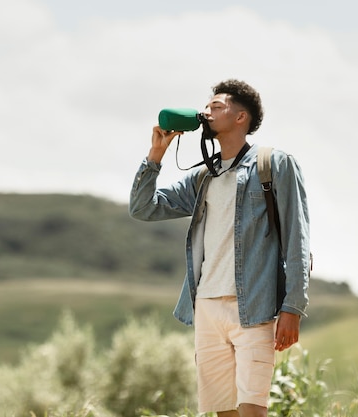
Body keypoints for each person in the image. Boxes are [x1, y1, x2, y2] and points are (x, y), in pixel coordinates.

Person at [128, 79, 311, 417]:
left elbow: (298, 238)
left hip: (253, 307)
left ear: (240, 117)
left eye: (216, 106)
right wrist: (157, 154)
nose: (205, 112)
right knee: (222, 413)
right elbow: (144, 208)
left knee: (252, 411)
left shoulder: (274, 164)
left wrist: (293, 308)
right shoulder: (203, 178)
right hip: (207, 307)